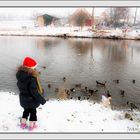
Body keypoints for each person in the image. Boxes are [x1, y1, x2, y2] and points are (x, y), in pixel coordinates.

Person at [16, 57, 46, 131]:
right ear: (30, 69)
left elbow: (21, 87)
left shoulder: (20, 77)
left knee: (25, 111)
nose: (35, 69)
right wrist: (42, 100)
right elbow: (34, 92)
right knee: (33, 112)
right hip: (32, 101)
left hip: (23, 100)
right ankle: (32, 126)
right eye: (34, 68)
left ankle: (23, 124)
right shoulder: (31, 79)